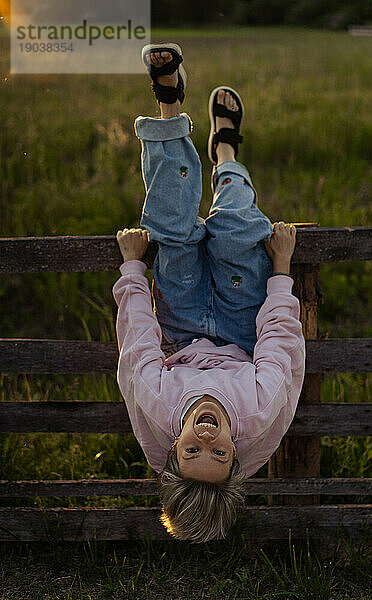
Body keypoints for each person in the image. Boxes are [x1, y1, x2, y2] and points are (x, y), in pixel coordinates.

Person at [112, 43, 305, 543]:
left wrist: (134, 268)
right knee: (238, 229)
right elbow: (281, 345)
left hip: (183, 323)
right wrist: (281, 267)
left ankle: (168, 101)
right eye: (217, 454)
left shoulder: (157, 407)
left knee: (169, 229)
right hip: (244, 331)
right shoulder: (258, 413)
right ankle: (225, 150)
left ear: (171, 451)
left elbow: (137, 344)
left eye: (191, 453)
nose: (205, 439)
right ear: (235, 455)